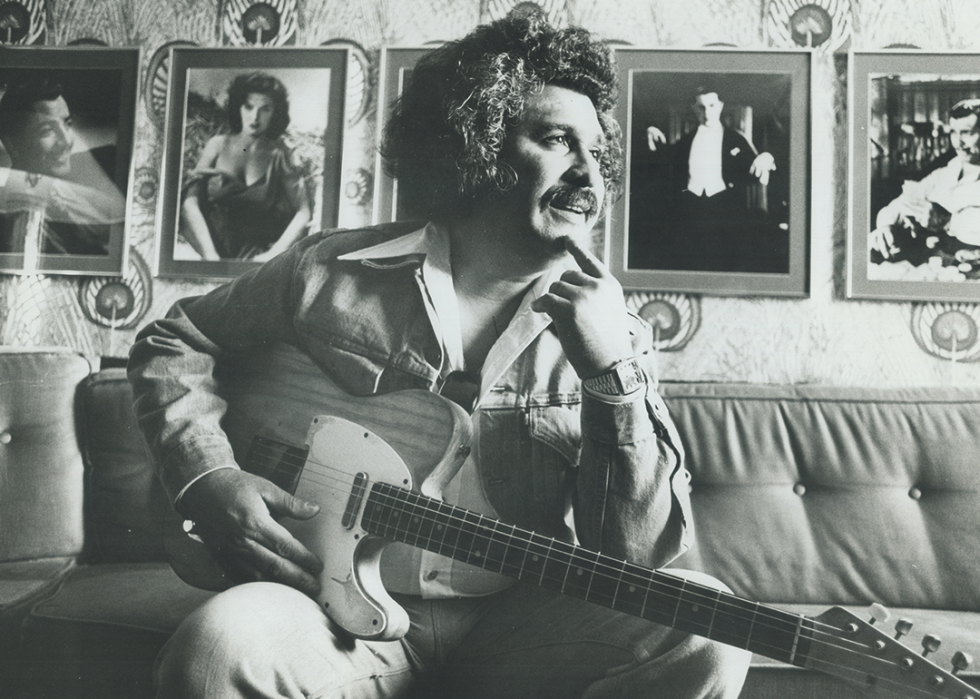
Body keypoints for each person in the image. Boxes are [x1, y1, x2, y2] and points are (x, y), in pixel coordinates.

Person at [128, 11, 751, 699]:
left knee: (707, 623)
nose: (588, 173)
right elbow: (175, 338)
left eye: (597, 151)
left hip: (516, 630)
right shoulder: (326, 270)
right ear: (476, 146)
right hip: (323, 609)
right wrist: (208, 478)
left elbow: (634, 559)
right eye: (555, 139)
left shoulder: (619, 336)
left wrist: (612, 375)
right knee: (213, 652)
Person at [631, 83, 782, 273]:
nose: (707, 112)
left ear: (720, 106)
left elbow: (757, 171)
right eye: (701, 107)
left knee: (724, 262)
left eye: (711, 106)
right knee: (687, 262)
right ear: (695, 109)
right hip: (689, 210)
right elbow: (661, 165)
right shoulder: (685, 142)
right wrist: (650, 129)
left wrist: (767, 157)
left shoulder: (736, 139)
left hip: (725, 209)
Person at [180, 71, 312, 261]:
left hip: (253, 256)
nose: (255, 117)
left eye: (265, 109)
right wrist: (209, 255)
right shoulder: (217, 144)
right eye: (249, 107)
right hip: (205, 247)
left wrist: (273, 255)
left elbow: (303, 211)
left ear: (275, 113)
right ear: (238, 107)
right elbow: (189, 203)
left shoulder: (281, 154)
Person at [0, 77, 124, 255]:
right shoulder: (17, 224)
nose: (66, 141)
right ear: (13, 144)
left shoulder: (102, 165)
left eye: (68, 124)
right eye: (47, 131)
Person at [871, 98, 980, 268]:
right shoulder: (944, 174)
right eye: (953, 132)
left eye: (966, 132)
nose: (958, 143)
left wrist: (948, 221)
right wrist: (885, 226)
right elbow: (899, 205)